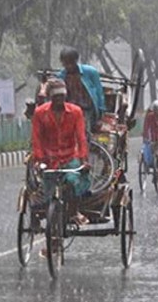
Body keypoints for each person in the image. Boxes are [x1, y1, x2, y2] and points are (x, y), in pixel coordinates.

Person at [32, 78, 92, 229]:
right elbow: (36, 139)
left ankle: (73, 211)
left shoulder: (75, 112)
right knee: (46, 193)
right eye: (56, 96)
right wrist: (39, 160)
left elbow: (81, 137)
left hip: (70, 156)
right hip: (48, 158)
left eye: (62, 96)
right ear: (50, 97)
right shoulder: (40, 113)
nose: (59, 99)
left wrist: (84, 159)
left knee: (72, 181)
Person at [56, 47, 106, 134]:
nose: (69, 66)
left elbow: (99, 92)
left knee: (84, 133)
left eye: (71, 63)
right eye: (66, 63)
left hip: (87, 110)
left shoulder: (90, 72)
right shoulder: (61, 76)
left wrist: (101, 114)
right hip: (69, 110)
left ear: (76, 60)